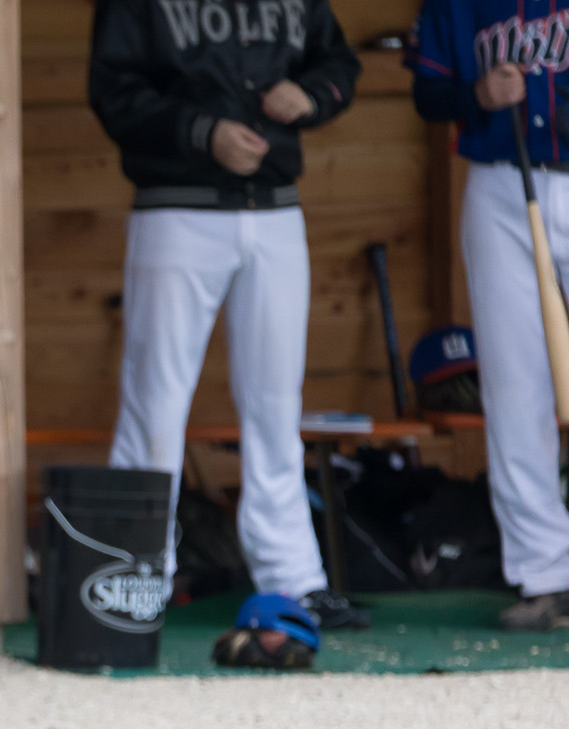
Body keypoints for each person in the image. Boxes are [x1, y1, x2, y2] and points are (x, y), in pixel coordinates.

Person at [89, 0, 369, 650]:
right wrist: (201, 131)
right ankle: (134, 582)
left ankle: (293, 579)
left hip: (273, 210)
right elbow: (113, 91)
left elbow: (339, 63)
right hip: (176, 209)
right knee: (155, 404)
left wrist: (311, 95)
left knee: (276, 406)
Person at [410, 2, 569, 629]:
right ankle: (547, 573)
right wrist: (476, 92)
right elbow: (427, 93)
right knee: (514, 386)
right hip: (502, 188)